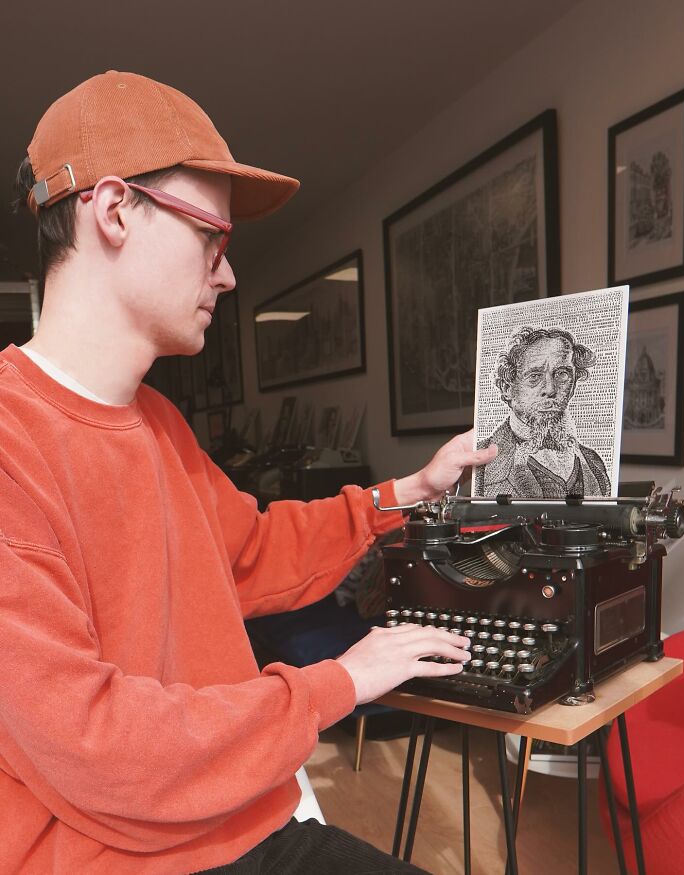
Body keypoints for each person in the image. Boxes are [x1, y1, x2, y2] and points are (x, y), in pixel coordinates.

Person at [1, 70, 498, 875]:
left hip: (243, 820)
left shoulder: (159, 421)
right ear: (117, 209)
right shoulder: (9, 444)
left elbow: (248, 553)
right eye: (212, 239)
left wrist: (409, 491)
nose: (228, 276)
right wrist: (336, 681)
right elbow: (95, 743)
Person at [474, 326, 610, 499]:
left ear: (574, 383)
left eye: (562, 374)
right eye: (535, 376)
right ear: (507, 388)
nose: (550, 389)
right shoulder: (480, 466)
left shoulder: (594, 462)